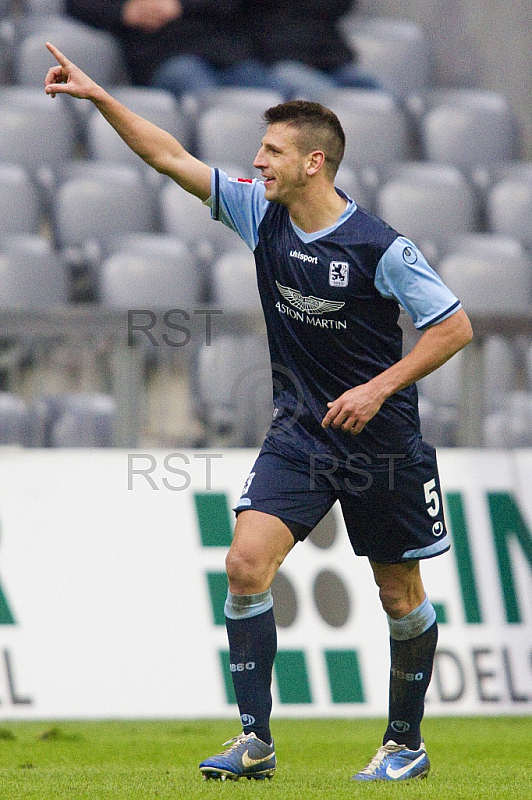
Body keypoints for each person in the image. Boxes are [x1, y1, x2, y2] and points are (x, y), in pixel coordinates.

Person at [44, 42, 473, 783]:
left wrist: (378, 387)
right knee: (245, 564)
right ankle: (255, 741)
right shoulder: (258, 212)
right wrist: (103, 99)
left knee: (399, 594)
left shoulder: (380, 246)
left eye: (272, 151)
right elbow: (171, 158)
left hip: (383, 443)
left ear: (315, 163)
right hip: (301, 433)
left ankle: (405, 743)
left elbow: (453, 326)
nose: (258, 161)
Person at [65, 0, 288, 97]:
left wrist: (180, 4)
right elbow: (78, 5)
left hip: (226, 55)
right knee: (200, 92)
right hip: (160, 55)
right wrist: (125, 10)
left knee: (282, 102)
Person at [242, 0, 383, 99]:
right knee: (331, 103)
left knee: (387, 100)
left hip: (330, 59)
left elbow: (339, 7)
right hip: (279, 59)